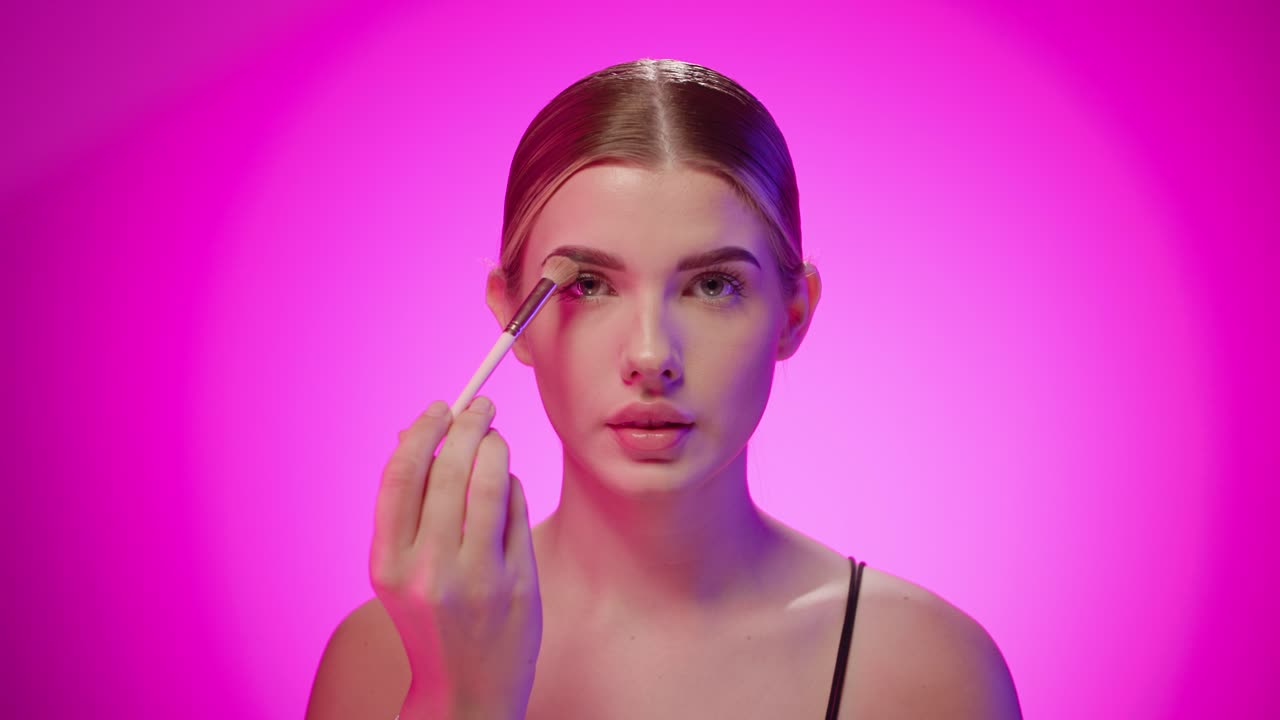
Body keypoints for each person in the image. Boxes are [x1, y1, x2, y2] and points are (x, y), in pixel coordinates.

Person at [306, 58, 1022, 719]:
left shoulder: (926, 672)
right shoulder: (382, 660)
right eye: (587, 284)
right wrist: (457, 698)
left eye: (713, 285)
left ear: (793, 312)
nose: (651, 356)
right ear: (511, 314)